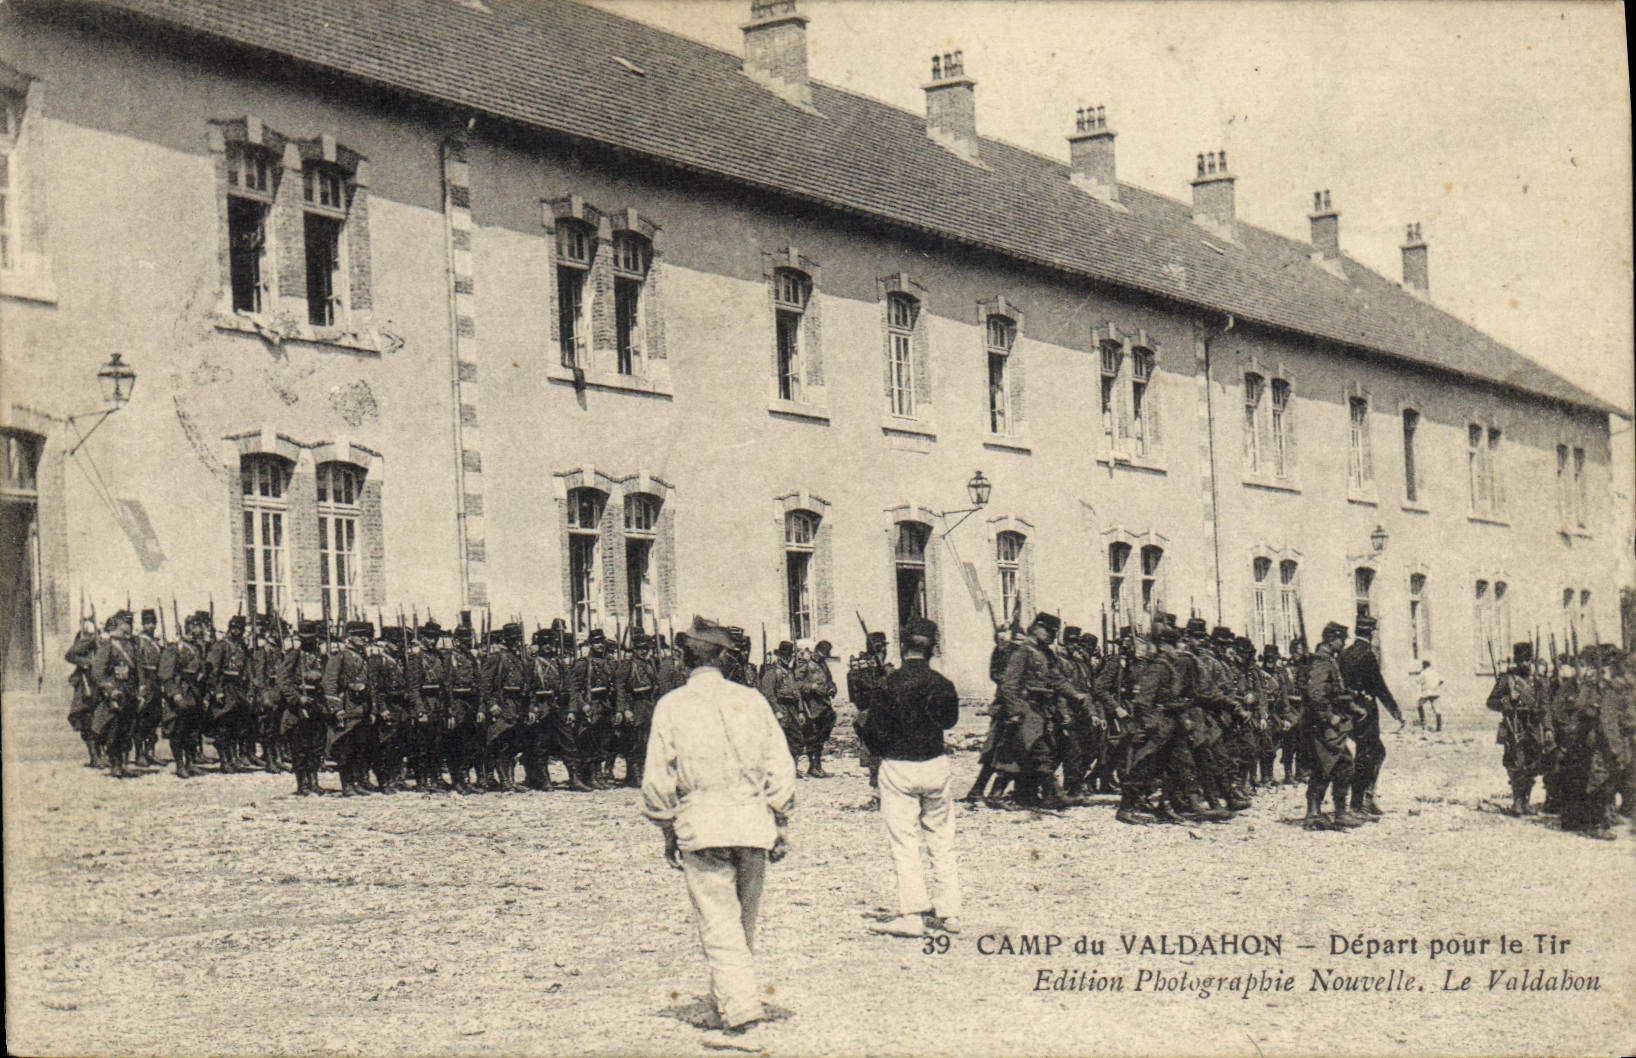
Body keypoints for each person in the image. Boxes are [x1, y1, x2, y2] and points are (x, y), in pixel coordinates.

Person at [641, 615, 796, 1041]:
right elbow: (781, 766)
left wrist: (667, 828)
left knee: (717, 921)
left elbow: (658, 779)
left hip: (703, 821)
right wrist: (779, 817)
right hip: (752, 820)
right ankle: (725, 999)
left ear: (683, 659)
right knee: (743, 921)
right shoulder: (752, 701)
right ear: (726, 658)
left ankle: (741, 1011)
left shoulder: (671, 705)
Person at [859, 617, 961, 938]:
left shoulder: (889, 685)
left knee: (905, 842)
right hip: (935, 763)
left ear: (903, 646)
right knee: (942, 840)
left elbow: (875, 734)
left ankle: (913, 914)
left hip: (899, 765)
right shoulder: (943, 684)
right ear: (934, 648)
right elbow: (949, 722)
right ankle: (950, 913)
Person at [1302, 621, 1365, 831]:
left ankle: (1316, 814)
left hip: (1325, 724)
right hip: (1323, 725)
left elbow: (1335, 692)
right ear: (1332, 639)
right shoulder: (1321, 661)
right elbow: (1316, 695)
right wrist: (1329, 717)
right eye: (1341, 640)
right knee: (1342, 764)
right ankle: (1335, 813)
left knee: (1327, 766)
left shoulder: (1328, 660)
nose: (1343, 644)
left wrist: (1352, 706)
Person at [1339, 614, 1404, 817]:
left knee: (1371, 752)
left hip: (1348, 710)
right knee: (1369, 754)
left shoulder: (1345, 653)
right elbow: (1379, 687)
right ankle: (1360, 803)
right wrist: (1395, 711)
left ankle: (1365, 799)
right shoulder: (1367, 654)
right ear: (1371, 633)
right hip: (1365, 712)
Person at [794, 640, 839, 777]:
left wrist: (833, 688)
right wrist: (811, 687)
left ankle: (817, 765)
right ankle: (813, 766)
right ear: (816, 651)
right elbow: (796, 684)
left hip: (824, 705)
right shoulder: (805, 664)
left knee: (822, 736)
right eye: (822, 654)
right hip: (811, 706)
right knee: (812, 736)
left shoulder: (823, 664)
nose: (824, 656)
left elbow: (829, 680)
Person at [1414, 658, 1444, 731]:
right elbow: (1442, 680)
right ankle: (1439, 727)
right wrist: (1436, 685)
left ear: (1424, 665)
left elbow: (1417, 681)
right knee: (1436, 709)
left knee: (1419, 705)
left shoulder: (1423, 673)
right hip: (1435, 692)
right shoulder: (1435, 672)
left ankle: (1423, 723)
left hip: (1427, 692)